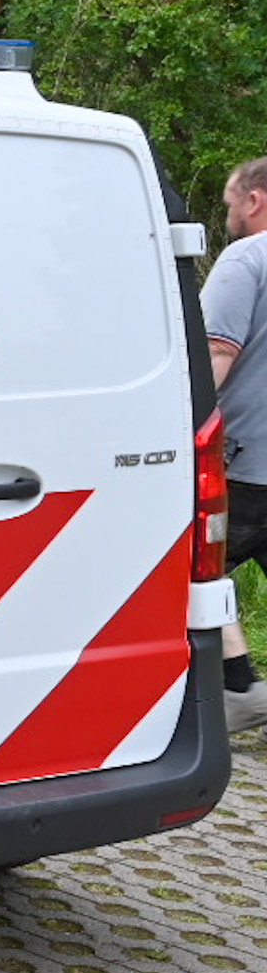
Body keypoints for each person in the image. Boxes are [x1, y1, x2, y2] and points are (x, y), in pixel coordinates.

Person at [199, 157, 267, 732]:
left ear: (255, 200)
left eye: (228, 203)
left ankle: (240, 686)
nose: (227, 215)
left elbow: (215, 357)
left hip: (248, 466)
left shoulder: (246, 259)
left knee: (189, 568)